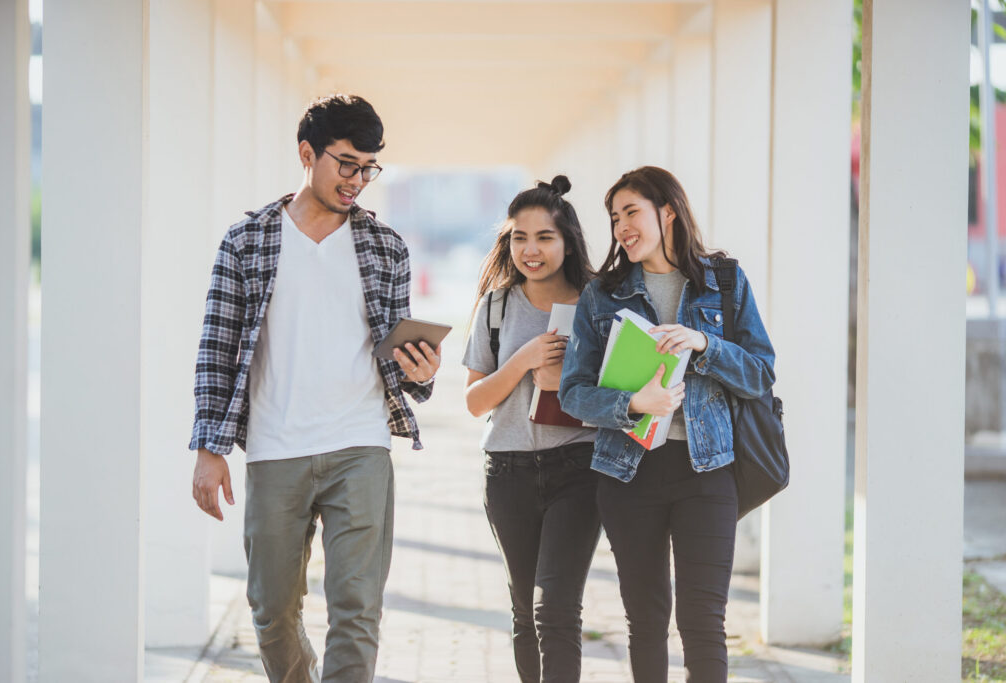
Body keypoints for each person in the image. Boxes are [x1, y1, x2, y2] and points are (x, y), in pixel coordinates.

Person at [188, 94, 440, 683]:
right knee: (271, 610)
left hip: (361, 444)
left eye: (369, 168)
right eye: (347, 164)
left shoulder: (386, 246)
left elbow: (395, 354)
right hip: (277, 447)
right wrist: (209, 447)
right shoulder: (246, 241)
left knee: (356, 611)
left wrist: (419, 372)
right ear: (308, 153)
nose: (358, 180)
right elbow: (216, 348)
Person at [558, 167, 776, 682]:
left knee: (703, 620)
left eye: (631, 212)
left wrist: (705, 346)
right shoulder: (602, 295)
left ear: (668, 211)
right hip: (628, 474)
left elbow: (761, 372)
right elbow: (573, 393)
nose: (621, 228)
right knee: (647, 621)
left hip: (707, 473)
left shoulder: (723, 281)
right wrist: (634, 403)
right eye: (614, 219)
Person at [462, 176, 601, 683]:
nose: (531, 250)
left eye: (544, 237)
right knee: (525, 612)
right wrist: (521, 360)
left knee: (557, 608)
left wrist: (566, 381)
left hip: (579, 469)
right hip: (509, 471)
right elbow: (476, 402)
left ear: (567, 241)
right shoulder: (496, 306)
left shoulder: (597, 304)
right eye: (519, 237)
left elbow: (623, 393)